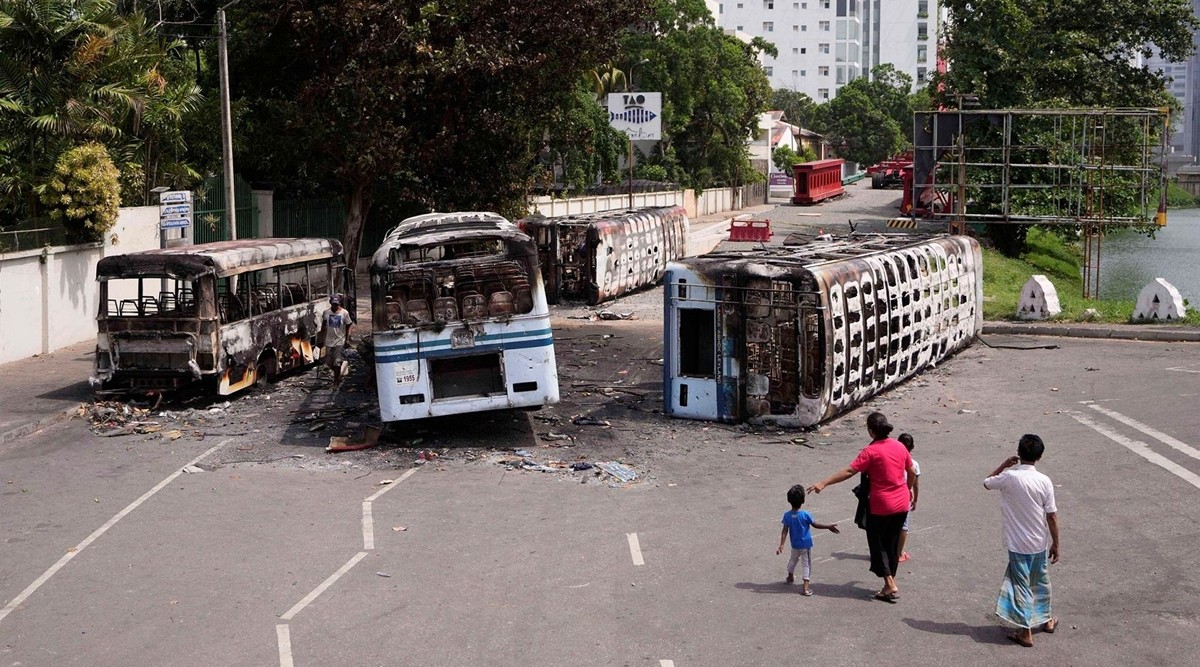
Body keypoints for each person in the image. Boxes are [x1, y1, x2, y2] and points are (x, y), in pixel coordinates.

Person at [808, 412, 916, 602]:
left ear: (870, 431)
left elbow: (850, 471)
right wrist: (907, 490)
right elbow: (912, 471)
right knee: (891, 545)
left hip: (881, 506)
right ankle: (888, 585)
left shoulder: (870, 451)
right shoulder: (899, 446)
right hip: (901, 504)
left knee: (878, 545)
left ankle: (890, 583)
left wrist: (823, 483)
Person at [984, 434, 1060, 648]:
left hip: (1018, 544)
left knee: (1022, 586)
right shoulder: (1044, 480)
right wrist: (1056, 543)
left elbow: (987, 482)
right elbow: (1051, 515)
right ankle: (1046, 620)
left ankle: (1025, 632)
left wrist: (1003, 465)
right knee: (1041, 583)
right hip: (1039, 542)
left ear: (1019, 453)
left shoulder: (1009, 477)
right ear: (1040, 456)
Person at [776, 484, 840, 596]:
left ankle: (790, 577)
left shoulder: (787, 515)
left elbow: (784, 530)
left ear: (788, 500)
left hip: (795, 544)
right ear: (803, 500)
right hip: (805, 545)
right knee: (806, 564)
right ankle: (805, 588)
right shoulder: (806, 515)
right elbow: (815, 525)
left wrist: (781, 544)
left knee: (793, 560)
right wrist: (828, 526)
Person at [897, 432, 920, 562]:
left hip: (892, 495)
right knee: (903, 526)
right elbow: (916, 485)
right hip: (905, 497)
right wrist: (915, 500)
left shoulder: (892, 460)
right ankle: (899, 553)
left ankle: (887, 551)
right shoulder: (914, 464)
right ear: (912, 447)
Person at [323, 295, 354, 387]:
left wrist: (347, 339)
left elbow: (349, 324)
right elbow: (323, 326)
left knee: (337, 361)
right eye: (333, 304)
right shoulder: (326, 313)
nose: (335, 306)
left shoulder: (344, 313)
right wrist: (320, 339)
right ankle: (338, 374)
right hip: (329, 340)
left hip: (340, 340)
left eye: (336, 304)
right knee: (328, 362)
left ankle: (336, 380)